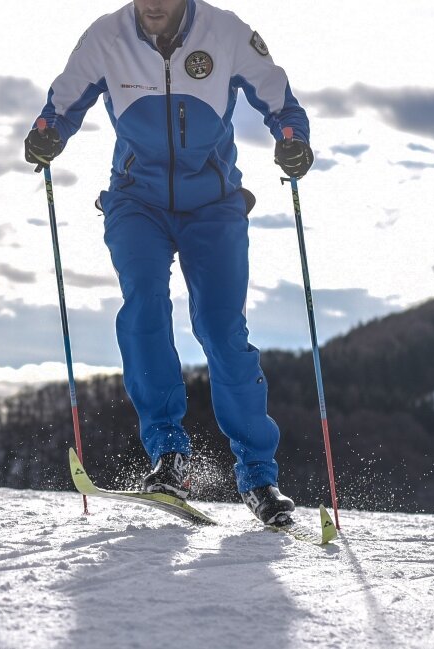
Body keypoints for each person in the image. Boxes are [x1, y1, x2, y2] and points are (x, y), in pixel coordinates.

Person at [24, 0, 314, 526]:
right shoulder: (105, 37)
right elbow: (62, 102)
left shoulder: (226, 32)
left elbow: (279, 98)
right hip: (138, 200)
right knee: (144, 305)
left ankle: (258, 478)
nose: (153, 3)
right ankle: (169, 457)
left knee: (222, 330)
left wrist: (292, 141)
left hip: (214, 203)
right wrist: (47, 132)